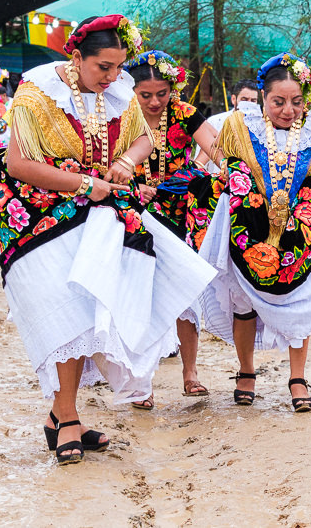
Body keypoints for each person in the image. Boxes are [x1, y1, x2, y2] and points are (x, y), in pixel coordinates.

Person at [0, 15, 215, 465]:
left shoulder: (117, 93)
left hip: (96, 208)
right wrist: (82, 185)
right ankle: (68, 415)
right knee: (64, 309)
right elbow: (17, 164)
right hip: (31, 213)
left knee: (89, 309)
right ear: (75, 58)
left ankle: (62, 417)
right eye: (104, 67)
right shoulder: (35, 92)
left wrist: (128, 164)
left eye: (119, 67)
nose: (114, 77)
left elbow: (143, 140)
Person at [187, 52, 311, 411]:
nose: (288, 110)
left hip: (301, 229)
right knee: (244, 305)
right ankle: (246, 371)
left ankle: (297, 378)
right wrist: (233, 177)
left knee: (301, 306)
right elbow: (220, 155)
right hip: (250, 226)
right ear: (263, 97)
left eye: (296, 101)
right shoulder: (240, 125)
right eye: (278, 101)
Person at [125, 50, 220, 408]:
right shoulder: (121, 115)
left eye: (161, 93)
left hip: (180, 211)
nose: (153, 101)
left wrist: (216, 168)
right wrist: (133, 188)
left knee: (183, 292)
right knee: (139, 295)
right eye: (144, 95)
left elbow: (214, 145)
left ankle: (190, 372)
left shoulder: (183, 113)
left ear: (173, 88)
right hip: (131, 210)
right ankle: (140, 382)